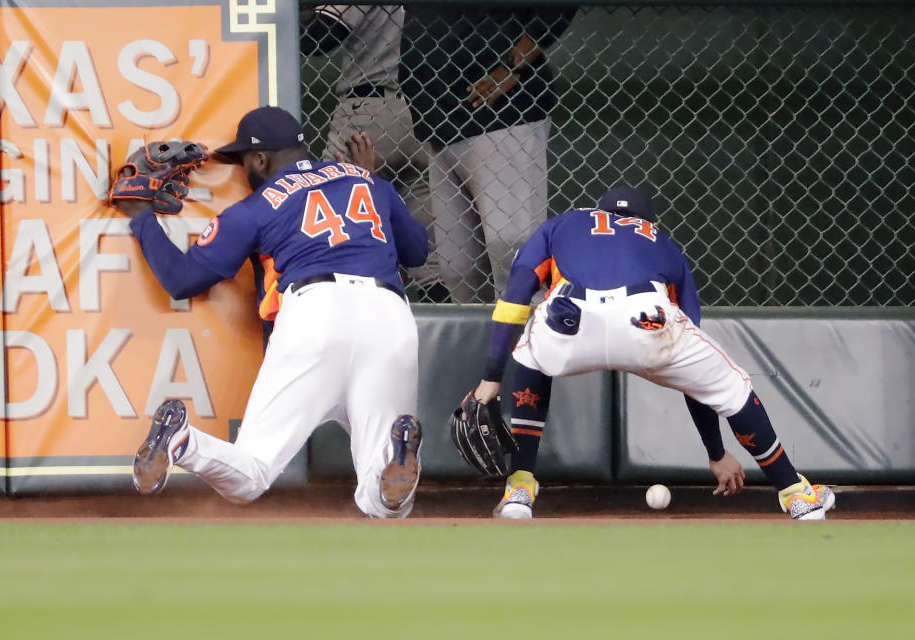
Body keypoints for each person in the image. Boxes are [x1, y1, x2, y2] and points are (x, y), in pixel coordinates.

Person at [112, 105, 428, 518]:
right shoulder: (371, 183)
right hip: (388, 317)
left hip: (316, 316)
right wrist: (369, 180)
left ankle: (183, 442)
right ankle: (398, 452)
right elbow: (418, 253)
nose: (243, 171)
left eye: (243, 161)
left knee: (252, 473)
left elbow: (182, 280)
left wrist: (142, 218)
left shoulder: (254, 209)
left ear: (260, 160)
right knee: (385, 501)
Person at [466, 185, 836, 521]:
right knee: (731, 388)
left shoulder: (561, 224)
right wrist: (715, 452)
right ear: (648, 222)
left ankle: (519, 490)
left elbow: (513, 300)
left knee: (532, 354)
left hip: (570, 319)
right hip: (645, 318)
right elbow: (696, 379)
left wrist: (491, 377)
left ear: (600, 213)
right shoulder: (663, 242)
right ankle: (797, 494)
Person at [399, 6, 577, 302]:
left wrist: (512, 66)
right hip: (439, 123)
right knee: (459, 270)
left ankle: (528, 345)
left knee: (512, 254)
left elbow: (557, 10)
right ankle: (485, 348)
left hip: (500, 114)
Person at [301, 4, 448, 303]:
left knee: (332, 207)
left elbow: (317, 38)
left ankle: (331, 307)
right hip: (424, 112)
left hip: (367, 110)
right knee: (429, 253)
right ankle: (441, 329)